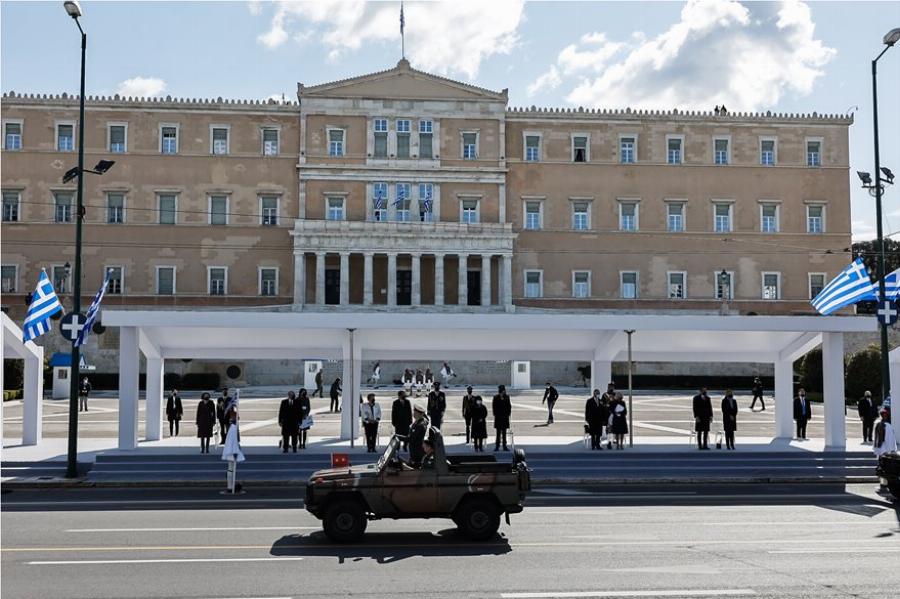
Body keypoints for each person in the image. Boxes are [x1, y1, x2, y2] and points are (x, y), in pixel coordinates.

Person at [493, 384, 512, 451]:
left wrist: (508, 414)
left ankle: (504, 446)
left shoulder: (507, 397)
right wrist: (496, 415)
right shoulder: (496, 397)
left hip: (504, 417)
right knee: (498, 433)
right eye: (502, 391)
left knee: (504, 433)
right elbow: (494, 407)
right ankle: (497, 446)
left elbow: (509, 407)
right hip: (498, 417)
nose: (503, 392)